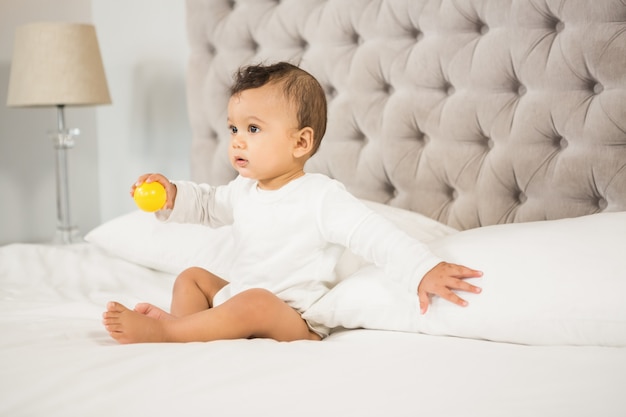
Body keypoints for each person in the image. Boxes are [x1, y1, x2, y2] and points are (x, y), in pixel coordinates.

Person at [102, 62, 482, 344]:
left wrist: (422, 269)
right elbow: (206, 204)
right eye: (234, 128)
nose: (236, 140)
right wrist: (173, 195)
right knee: (192, 277)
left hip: (293, 318)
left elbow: (375, 235)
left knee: (255, 302)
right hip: (242, 299)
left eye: (253, 129)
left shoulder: (320, 197)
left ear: (300, 142)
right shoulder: (243, 189)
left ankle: (169, 332)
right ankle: (186, 334)